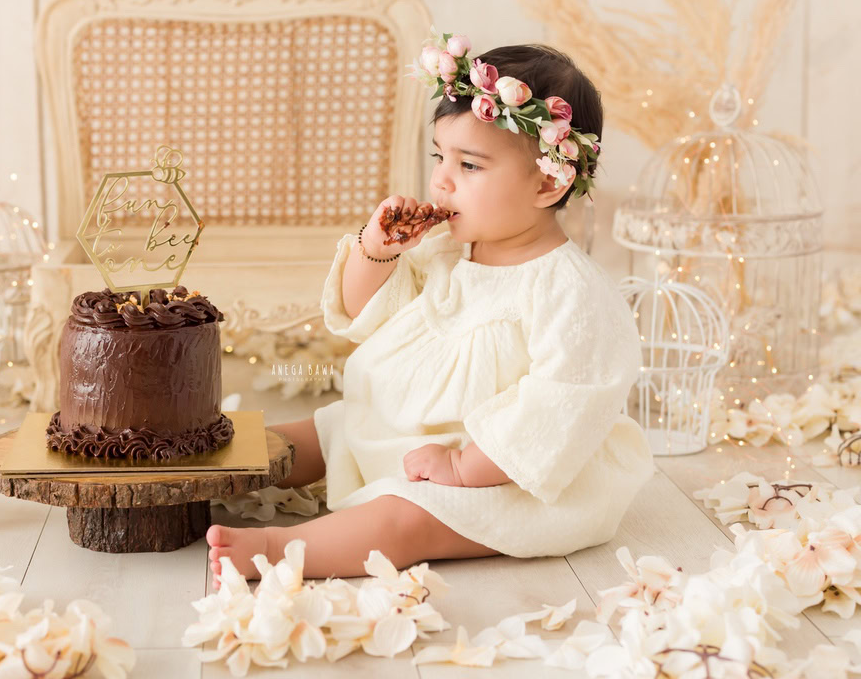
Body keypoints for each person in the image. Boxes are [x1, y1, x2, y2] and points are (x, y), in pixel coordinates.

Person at [206, 33, 654, 589]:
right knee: (324, 431)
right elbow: (365, 312)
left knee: (405, 518)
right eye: (440, 156)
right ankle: (205, 467)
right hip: (406, 431)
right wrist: (377, 250)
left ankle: (276, 548)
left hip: (503, 479)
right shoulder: (444, 248)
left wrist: (462, 468)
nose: (441, 180)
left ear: (547, 181)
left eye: (469, 165)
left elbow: (562, 405)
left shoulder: (571, 293)